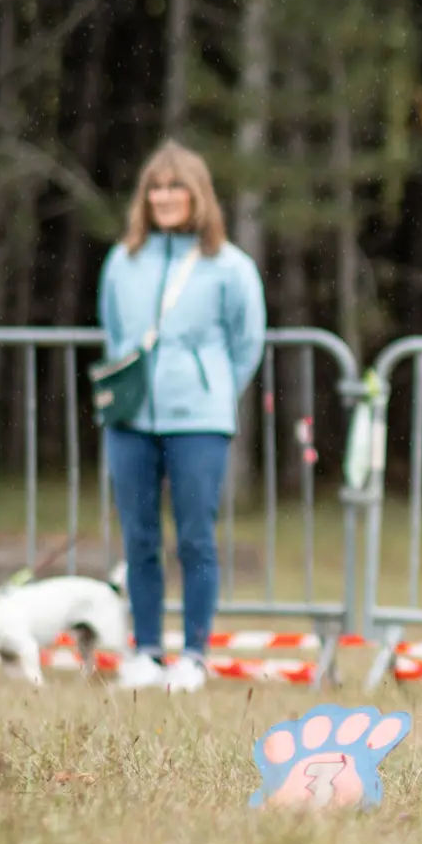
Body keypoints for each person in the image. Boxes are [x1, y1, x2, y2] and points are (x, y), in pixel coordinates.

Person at [98, 141, 266, 693]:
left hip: (198, 418)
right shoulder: (122, 261)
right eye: (156, 187)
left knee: (195, 536)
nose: (165, 196)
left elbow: (247, 343)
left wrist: (210, 391)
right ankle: (146, 652)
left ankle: (193, 655)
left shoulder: (230, 267)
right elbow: (115, 332)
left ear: (198, 195)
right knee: (138, 536)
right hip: (131, 420)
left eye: (176, 186)